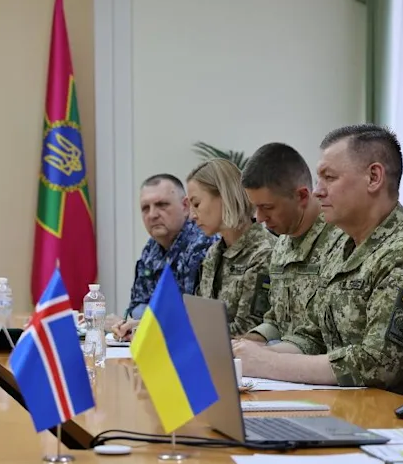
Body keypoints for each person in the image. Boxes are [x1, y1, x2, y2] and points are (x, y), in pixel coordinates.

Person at [232, 125, 403, 401]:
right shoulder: (342, 249)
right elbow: (313, 337)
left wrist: (268, 363)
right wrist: (248, 354)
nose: (317, 192)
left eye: (329, 177)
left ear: (373, 177)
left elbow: (377, 364)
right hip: (365, 407)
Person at [239, 143, 343, 344]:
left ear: (301, 196)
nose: (259, 218)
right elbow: (276, 320)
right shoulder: (281, 244)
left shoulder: (340, 242)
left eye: (267, 207)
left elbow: (329, 338)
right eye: (256, 208)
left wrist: (269, 355)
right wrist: (248, 341)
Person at [112, 173, 215, 339]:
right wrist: (128, 324)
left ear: (185, 206)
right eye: (145, 208)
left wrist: (144, 322)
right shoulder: (151, 248)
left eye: (162, 205)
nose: (152, 215)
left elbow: (192, 316)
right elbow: (137, 306)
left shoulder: (203, 244)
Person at [187, 158, 276, 336]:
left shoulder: (262, 252)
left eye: (196, 204)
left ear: (224, 196)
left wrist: (180, 333)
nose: (192, 215)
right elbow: (198, 318)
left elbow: (247, 331)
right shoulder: (213, 253)